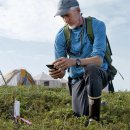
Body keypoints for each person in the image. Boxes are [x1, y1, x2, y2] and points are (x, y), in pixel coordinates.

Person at [49, 0, 108, 126]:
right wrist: (57, 73)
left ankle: (94, 119)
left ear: (78, 10)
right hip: (76, 79)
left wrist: (74, 62)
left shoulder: (97, 25)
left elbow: (98, 60)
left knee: (91, 68)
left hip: (98, 73)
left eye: (67, 15)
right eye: (62, 16)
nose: (65, 19)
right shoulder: (60, 36)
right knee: (80, 114)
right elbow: (62, 71)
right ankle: (96, 102)